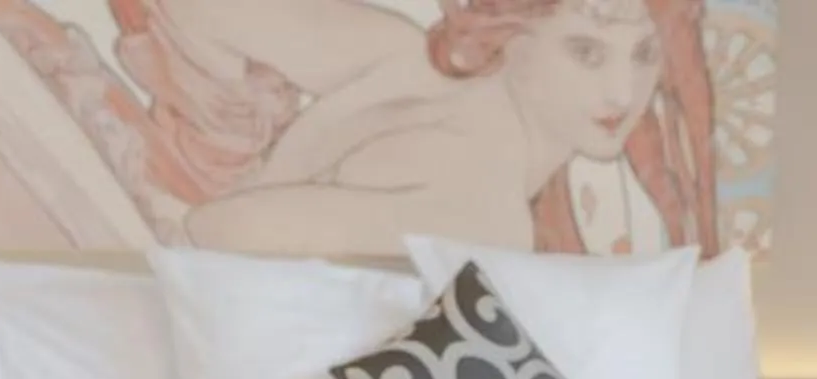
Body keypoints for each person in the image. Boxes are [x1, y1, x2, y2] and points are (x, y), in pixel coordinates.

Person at [102, 0, 718, 257]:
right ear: (509, 34)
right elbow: (218, 225)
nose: (623, 92)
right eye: (586, 52)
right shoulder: (482, 206)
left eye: (645, 56)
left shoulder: (407, 53)